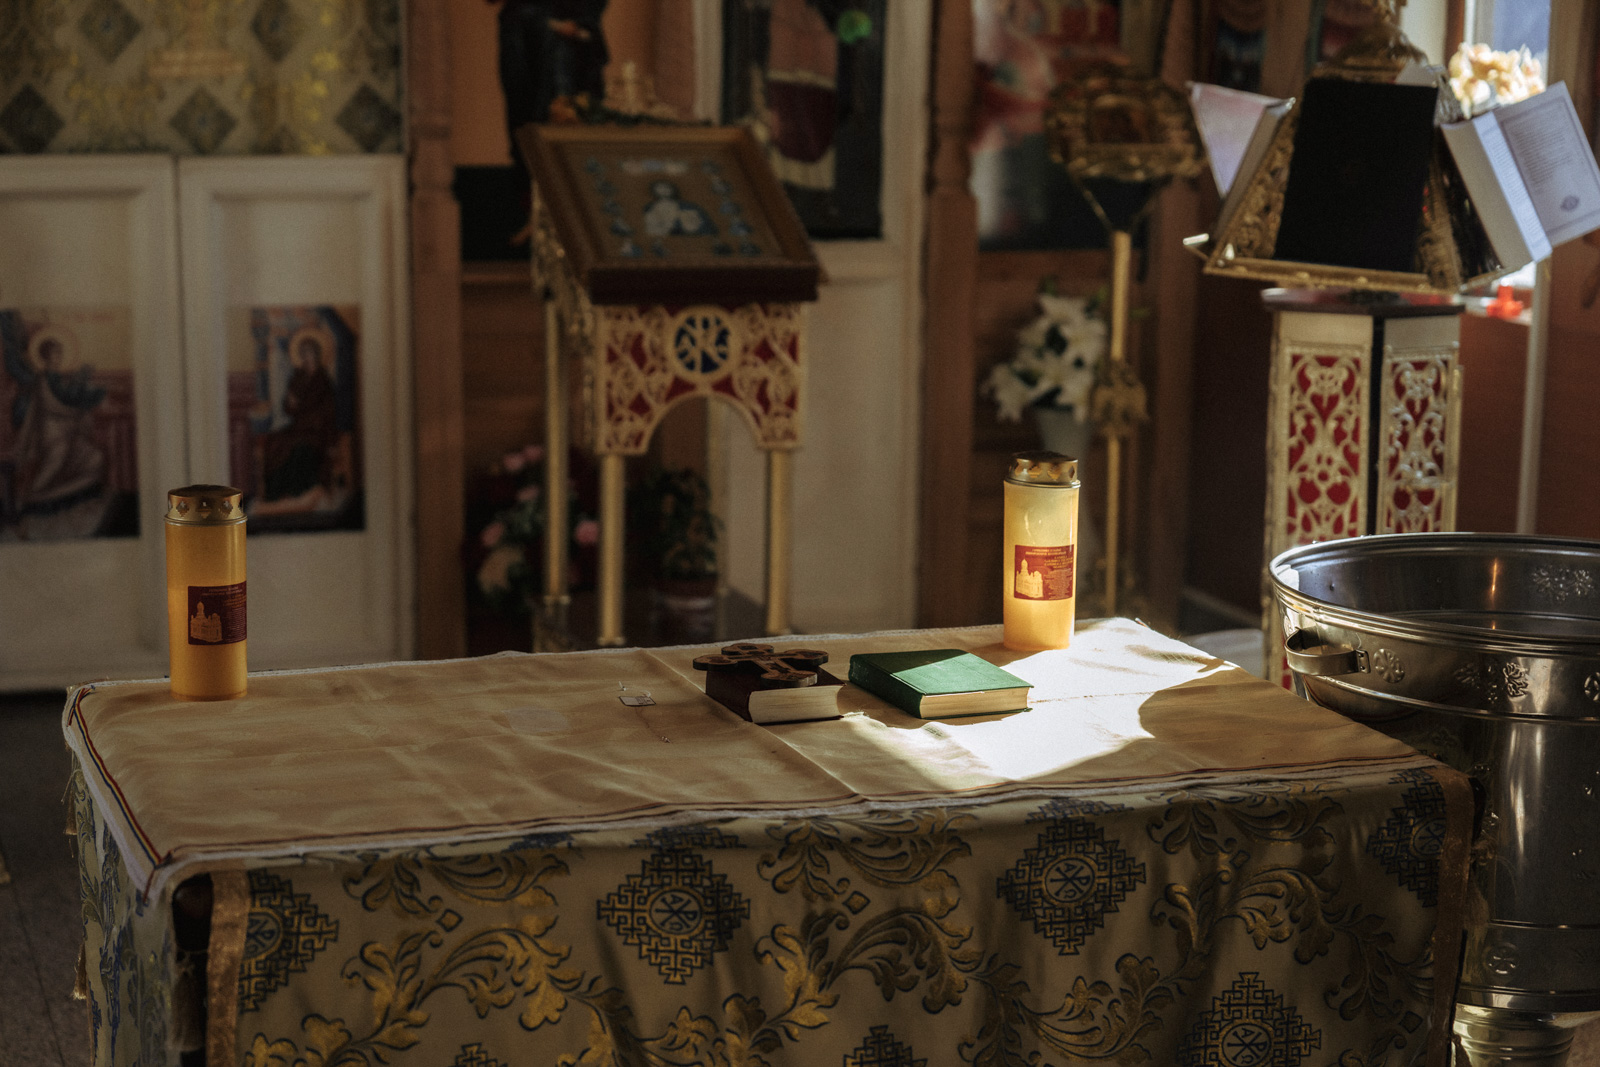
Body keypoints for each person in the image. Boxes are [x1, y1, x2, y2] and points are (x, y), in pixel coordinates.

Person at [6, 329, 107, 518]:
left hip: (69, 431)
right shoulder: (43, 380)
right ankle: (28, 500)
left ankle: (73, 496)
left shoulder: (62, 379)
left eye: (60, 353)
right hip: (52, 434)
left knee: (95, 457)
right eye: (55, 354)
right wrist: (76, 412)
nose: (58, 357)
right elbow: (53, 405)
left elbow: (70, 398)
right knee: (53, 466)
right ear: (45, 357)